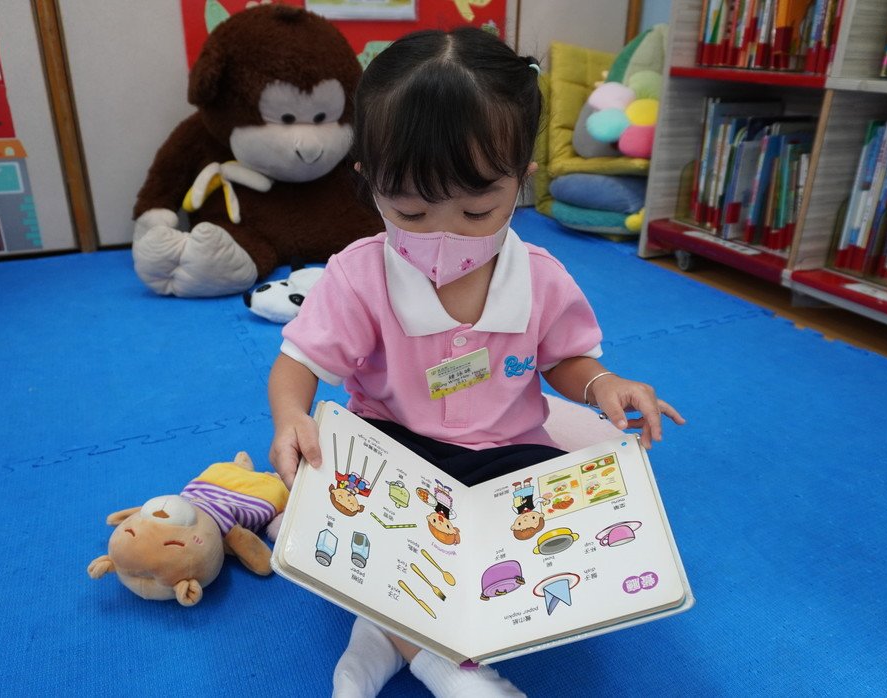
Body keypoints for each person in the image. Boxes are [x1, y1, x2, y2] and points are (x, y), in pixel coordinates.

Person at [268, 26, 684, 698]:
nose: (444, 233)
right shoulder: (357, 275)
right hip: (393, 448)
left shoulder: (540, 277)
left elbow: (566, 360)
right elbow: (298, 361)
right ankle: (442, 665)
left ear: (522, 184)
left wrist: (603, 383)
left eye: (477, 209)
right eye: (410, 210)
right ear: (369, 182)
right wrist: (291, 415)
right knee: (336, 511)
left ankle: (383, 637)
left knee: (549, 539)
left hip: (506, 455)